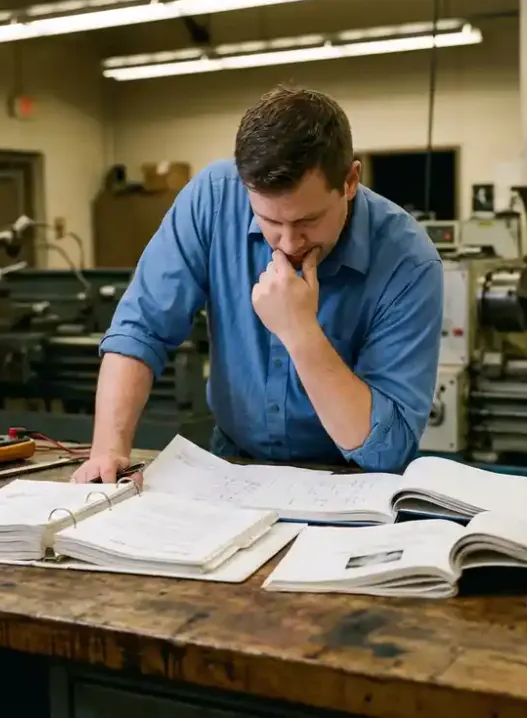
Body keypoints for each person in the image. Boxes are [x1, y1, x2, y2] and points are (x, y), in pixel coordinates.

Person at [71, 84, 444, 484]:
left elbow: (386, 451)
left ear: (350, 181)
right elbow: (141, 328)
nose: (288, 243)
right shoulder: (213, 199)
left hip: (351, 483)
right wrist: (109, 449)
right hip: (234, 467)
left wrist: (301, 333)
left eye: (307, 221)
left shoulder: (409, 262)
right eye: (269, 221)